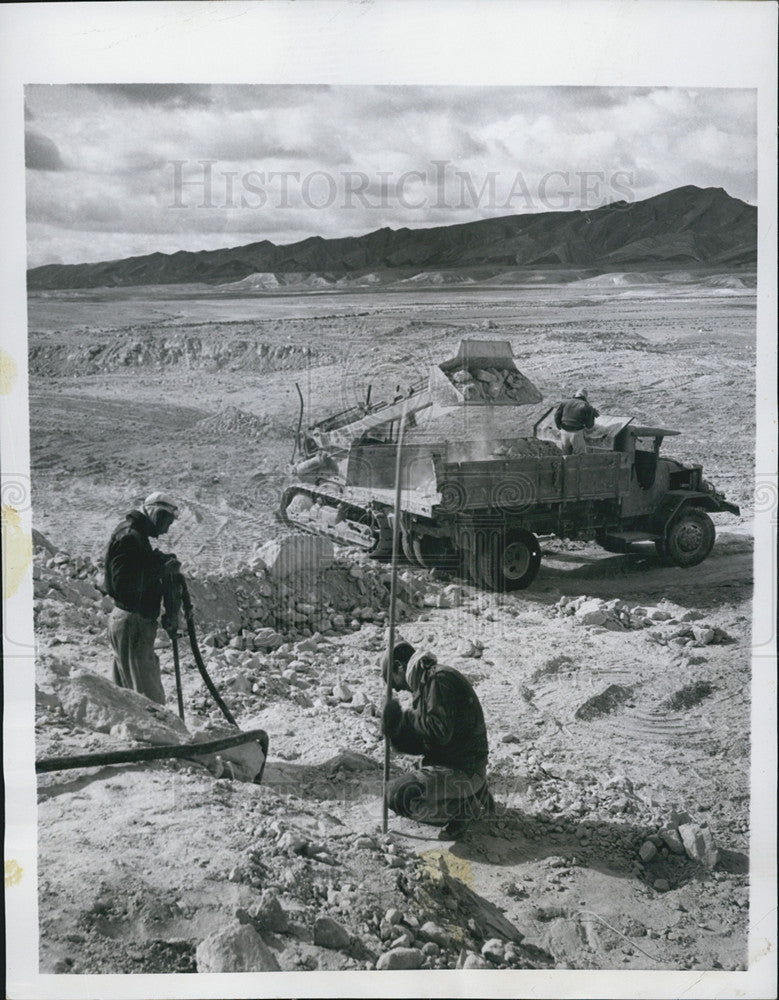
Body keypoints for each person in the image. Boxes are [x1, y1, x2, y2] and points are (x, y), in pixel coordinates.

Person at [381, 640, 494, 838]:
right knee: (406, 785)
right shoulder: (428, 683)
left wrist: (403, 721)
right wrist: (397, 733)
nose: (397, 690)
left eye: (393, 682)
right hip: (460, 765)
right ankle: (470, 794)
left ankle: (464, 807)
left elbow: (438, 732)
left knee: (399, 796)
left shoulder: (438, 680)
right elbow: (427, 741)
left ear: (400, 666)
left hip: (464, 770)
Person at [103, 491, 181, 704]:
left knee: (127, 698)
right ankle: (159, 738)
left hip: (130, 621)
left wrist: (158, 561)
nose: (166, 529)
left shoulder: (135, 535)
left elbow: (136, 568)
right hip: (131, 622)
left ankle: (135, 736)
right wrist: (160, 570)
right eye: (167, 521)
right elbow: (122, 585)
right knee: (149, 700)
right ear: (156, 514)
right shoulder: (130, 537)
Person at [553, 388, 600, 455]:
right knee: (580, 455)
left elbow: (556, 416)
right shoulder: (586, 406)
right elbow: (589, 425)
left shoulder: (564, 402)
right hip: (576, 434)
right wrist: (591, 415)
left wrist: (559, 426)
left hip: (564, 432)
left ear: (575, 395)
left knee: (565, 455)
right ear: (585, 397)